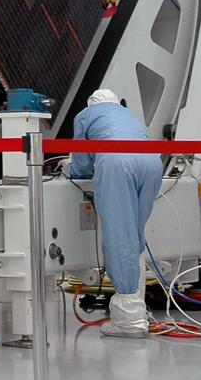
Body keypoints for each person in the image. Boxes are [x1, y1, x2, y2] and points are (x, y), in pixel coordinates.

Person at [68, 88, 163, 337]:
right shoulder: (126, 114)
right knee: (134, 234)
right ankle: (137, 307)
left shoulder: (86, 115)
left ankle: (128, 320)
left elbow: (80, 161)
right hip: (152, 162)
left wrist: (72, 171)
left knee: (120, 235)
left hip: (118, 163)